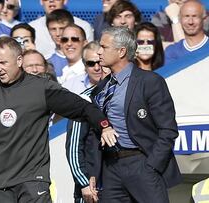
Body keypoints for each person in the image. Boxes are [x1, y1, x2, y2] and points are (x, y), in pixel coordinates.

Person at [0, 36, 116, 203]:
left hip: (32, 180)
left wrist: (104, 125)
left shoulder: (41, 88)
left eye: (3, 63)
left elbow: (82, 107)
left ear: (19, 60)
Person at [88, 26, 182, 202]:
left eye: (104, 47)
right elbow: (95, 133)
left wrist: (151, 166)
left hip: (141, 163)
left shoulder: (150, 82)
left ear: (121, 51)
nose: (99, 52)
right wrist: (93, 172)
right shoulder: (100, 89)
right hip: (110, 168)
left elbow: (168, 130)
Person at [65, 40, 104, 203]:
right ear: (84, 66)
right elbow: (73, 147)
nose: (96, 67)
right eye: (91, 63)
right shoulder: (82, 100)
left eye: (100, 62)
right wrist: (83, 181)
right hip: (91, 186)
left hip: (117, 184)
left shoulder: (121, 95)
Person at [29, 0, 94, 58]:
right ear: (41, 1)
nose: (51, 0)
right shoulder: (32, 27)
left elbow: (89, 55)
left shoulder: (83, 26)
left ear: (65, 1)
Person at [165, 0, 209, 65]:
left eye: (195, 16)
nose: (190, 22)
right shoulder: (172, 51)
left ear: (204, 19)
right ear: (180, 19)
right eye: (186, 16)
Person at [46, 9, 74, 78]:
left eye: (62, 28)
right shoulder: (46, 62)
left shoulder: (84, 58)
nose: (58, 34)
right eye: (53, 29)